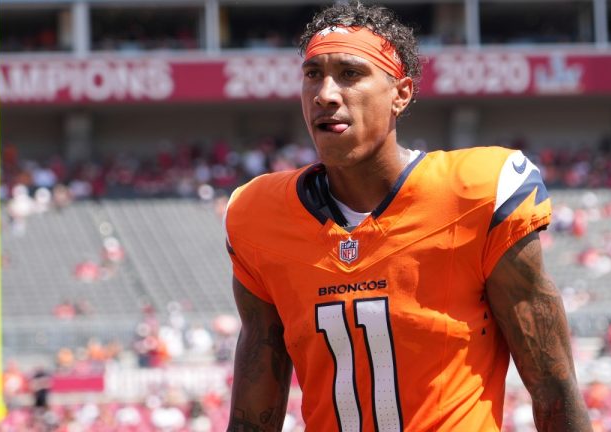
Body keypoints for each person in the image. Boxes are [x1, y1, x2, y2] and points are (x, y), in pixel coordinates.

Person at [224, 2, 591, 431]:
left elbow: (554, 390)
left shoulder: (475, 193)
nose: (324, 93)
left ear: (400, 93)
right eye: (312, 74)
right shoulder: (259, 216)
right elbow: (252, 419)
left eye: (350, 73)